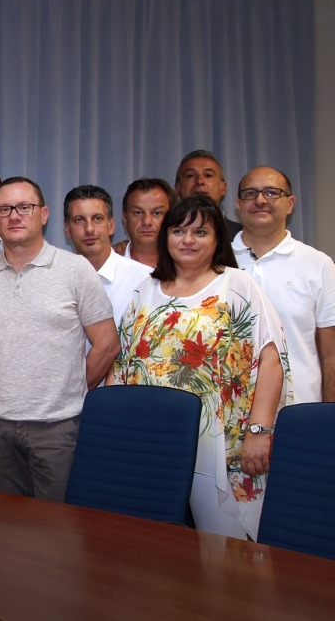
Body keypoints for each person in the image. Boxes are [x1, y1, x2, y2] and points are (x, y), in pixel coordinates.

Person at [109, 195, 290, 540]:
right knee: (150, 542)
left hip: (221, 444)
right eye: (178, 231)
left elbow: (271, 359)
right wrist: (116, 431)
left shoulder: (237, 285)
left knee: (224, 550)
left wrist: (259, 432)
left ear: (218, 239)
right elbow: (122, 365)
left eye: (200, 232)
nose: (188, 240)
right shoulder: (145, 290)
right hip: (153, 438)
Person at [0, 177, 117, 502]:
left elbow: (107, 345)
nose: (14, 216)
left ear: (43, 214)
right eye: (4, 209)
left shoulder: (76, 269)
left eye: (24, 207)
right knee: (7, 519)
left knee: (57, 522)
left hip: (58, 425)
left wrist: (69, 388)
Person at [232, 167, 335, 403]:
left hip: (298, 409)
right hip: (229, 410)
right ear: (238, 204)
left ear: (290, 204)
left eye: (271, 192)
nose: (260, 200)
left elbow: (331, 355)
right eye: (250, 194)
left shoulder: (318, 265)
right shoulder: (216, 261)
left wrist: (328, 414)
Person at [62, 185, 152, 324]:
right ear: (67, 228)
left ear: (111, 225)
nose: (89, 229)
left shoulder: (145, 280)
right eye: (79, 220)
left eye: (97, 218)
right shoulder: (56, 281)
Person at [175, 149, 242, 237]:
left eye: (208, 175)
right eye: (190, 175)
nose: (199, 181)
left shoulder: (242, 236)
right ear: (177, 188)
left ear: (223, 188)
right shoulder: (164, 235)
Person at [112, 178, 176, 267]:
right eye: (138, 213)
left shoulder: (186, 267)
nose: (147, 221)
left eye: (156, 213)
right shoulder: (108, 265)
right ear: (125, 218)